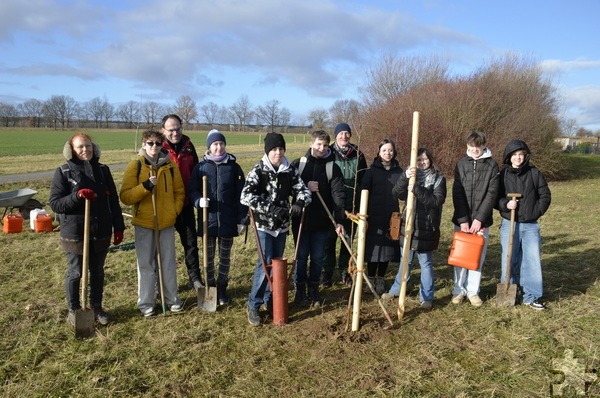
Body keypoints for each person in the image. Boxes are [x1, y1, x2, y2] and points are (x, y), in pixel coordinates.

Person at [49, 133, 125, 326]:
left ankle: (97, 307)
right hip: (75, 233)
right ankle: (74, 309)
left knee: (98, 271)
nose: (85, 150)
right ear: (71, 150)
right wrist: (76, 196)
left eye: (88, 146)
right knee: (75, 273)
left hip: (100, 230)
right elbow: (56, 204)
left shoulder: (103, 170)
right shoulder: (63, 172)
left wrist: (118, 226)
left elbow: (113, 200)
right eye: (80, 147)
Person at [240, 132, 312, 326]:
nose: (278, 153)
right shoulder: (258, 170)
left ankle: (269, 299)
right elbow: (245, 196)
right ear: (268, 151)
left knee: (276, 265)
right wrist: (270, 208)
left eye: (280, 149)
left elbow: (304, 191)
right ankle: (253, 305)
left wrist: (298, 202)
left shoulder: (290, 170)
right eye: (274, 149)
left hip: (281, 227)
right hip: (263, 225)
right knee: (264, 266)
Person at [120, 130, 185, 317]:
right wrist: (146, 187)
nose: (154, 147)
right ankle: (146, 302)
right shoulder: (136, 166)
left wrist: (174, 210)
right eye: (150, 143)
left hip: (166, 222)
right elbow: (125, 196)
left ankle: (172, 299)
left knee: (168, 262)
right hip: (144, 222)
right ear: (143, 144)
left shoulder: (170, 166)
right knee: (146, 264)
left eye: (158, 143)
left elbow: (179, 192)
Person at [382, 148, 446, 310]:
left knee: (425, 263)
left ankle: (426, 297)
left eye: (424, 159)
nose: (422, 162)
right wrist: (405, 177)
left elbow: (436, 201)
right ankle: (396, 290)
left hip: (426, 227)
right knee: (406, 260)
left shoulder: (439, 179)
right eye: (419, 160)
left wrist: (416, 188)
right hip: (409, 223)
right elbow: (396, 192)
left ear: (430, 160)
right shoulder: (411, 176)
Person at [189, 129, 248, 306]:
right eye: (215, 144)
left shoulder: (233, 167)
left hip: (228, 220)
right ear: (209, 147)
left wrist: (242, 219)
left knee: (225, 257)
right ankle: (210, 288)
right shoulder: (200, 168)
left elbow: (242, 196)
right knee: (208, 258)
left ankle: (222, 289)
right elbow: (192, 190)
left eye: (221, 143)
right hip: (208, 221)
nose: (219, 147)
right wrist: (198, 201)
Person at [291, 130, 345, 307]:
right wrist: (304, 186)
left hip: (322, 222)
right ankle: (300, 291)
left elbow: (338, 196)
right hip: (301, 221)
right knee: (300, 257)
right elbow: (287, 188)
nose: (322, 148)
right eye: (318, 144)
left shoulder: (332, 168)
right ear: (311, 144)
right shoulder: (298, 165)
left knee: (317, 258)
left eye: (325, 145)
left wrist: (339, 220)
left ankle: (314, 290)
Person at [497, 140, 551, 310]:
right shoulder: (503, 175)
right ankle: (509, 291)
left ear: (525, 156)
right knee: (509, 258)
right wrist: (506, 204)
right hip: (509, 223)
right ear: (509, 157)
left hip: (530, 226)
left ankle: (531, 295)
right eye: (514, 155)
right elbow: (495, 198)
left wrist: (534, 213)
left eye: (521, 154)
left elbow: (545, 195)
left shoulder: (534, 173)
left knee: (531, 260)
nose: (518, 158)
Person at [451, 131, 499, 307]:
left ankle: (473, 291)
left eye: (477, 148)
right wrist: (463, 219)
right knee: (460, 255)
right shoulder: (461, 164)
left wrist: (479, 219)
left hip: (481, 221)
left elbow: (492, 193)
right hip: (462, 220)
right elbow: (457, 192)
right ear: (467, 147)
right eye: (471, 148)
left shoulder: (492, 166)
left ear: (484, 146)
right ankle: (458, 290)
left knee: (477, 257)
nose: (474, 151)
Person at [321, 122, 367, 286]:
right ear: (336, 135)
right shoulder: (328, 153)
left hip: (352, 208)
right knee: (328, 242)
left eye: (347, 133)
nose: (344, 136)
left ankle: (345, 272)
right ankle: (326, 273)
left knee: (347, 242)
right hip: (332, 207)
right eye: (341, 133)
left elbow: (363, 181)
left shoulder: (358, 154)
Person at [160, 114, 202, 290]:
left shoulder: (188, 147)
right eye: (171, 130)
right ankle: (162, 283)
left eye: (177, 129)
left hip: (184, 204)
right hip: (164, 207)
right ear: (164, 131)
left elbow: (196, 173)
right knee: (163, 248)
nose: (175, 133)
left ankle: (195, 278)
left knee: (190, 243)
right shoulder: (158, 147)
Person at [360, 138, 403, 295]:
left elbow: (404, 193)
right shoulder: (371, 172)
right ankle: (370, 279)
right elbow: (363, 192)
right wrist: (364, 216)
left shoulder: (399, 172)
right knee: (374, 249)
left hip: (391, 217)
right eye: (384, 150)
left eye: (390, 150)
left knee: (386, 250)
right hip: (373, 216)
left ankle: (380, 279)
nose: (387, 153)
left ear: (394, 152)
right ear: (379, 152)